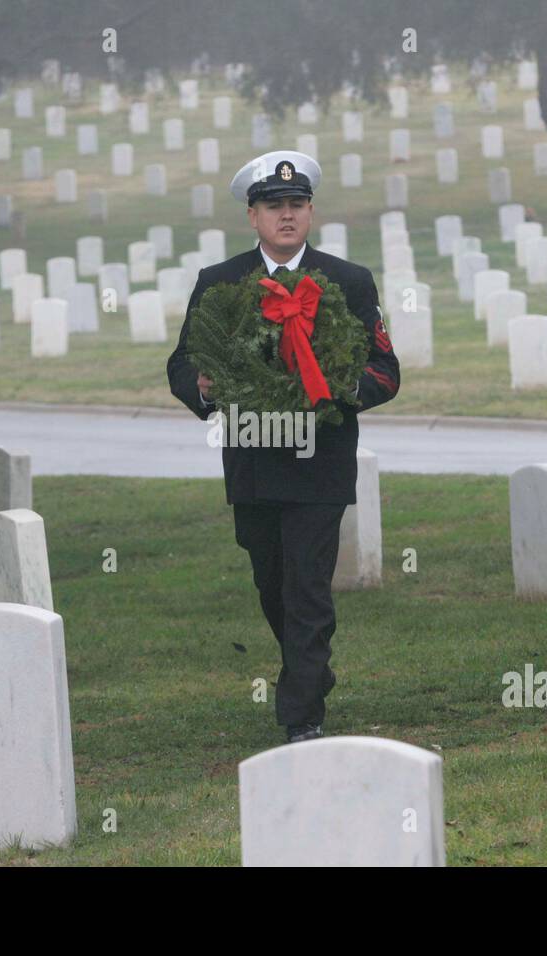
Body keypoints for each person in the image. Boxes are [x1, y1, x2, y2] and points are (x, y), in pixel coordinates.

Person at [166, 149, 401, 744]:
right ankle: (311, 671)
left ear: (311, 212)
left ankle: (301, 716)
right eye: (274, 206)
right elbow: (182, 361)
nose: (286, 215)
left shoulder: (349, 282)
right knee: (270, 581)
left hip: (319, 461)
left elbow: (385, 370)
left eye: (296, 205)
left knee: (307, 585)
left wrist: (338, 389)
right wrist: (203, 386)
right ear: (253, 216)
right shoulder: (219, 283)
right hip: (253, 457)